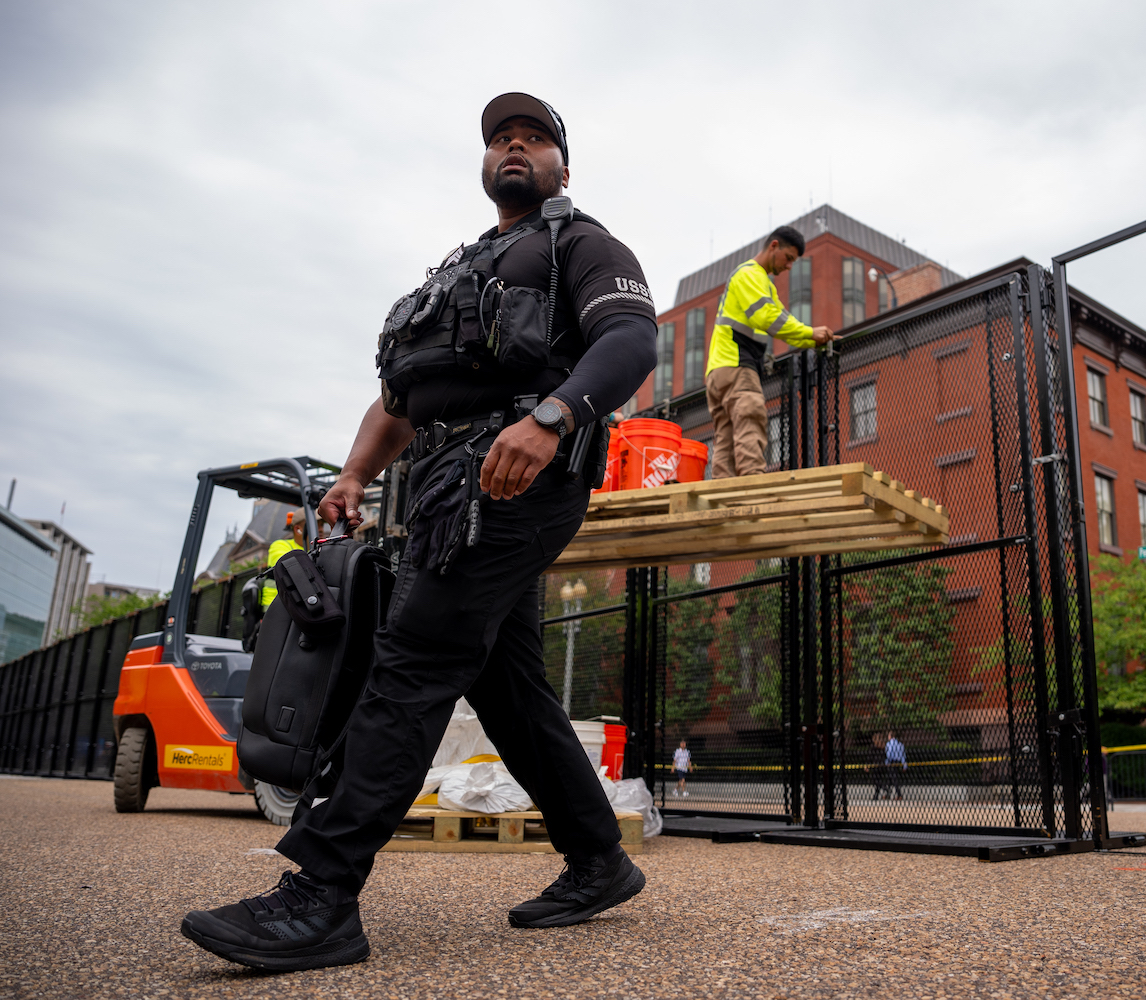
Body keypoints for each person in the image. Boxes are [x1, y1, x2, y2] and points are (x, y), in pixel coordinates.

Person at [181, 92, 658, 972]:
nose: (514, 145)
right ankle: (599, 857)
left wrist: (552, 417)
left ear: (562, 164)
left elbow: (632, 340)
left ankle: (322, 894)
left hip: (519, 476)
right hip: (443, 485)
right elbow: (399, 398)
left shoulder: (581, 245)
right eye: (500, 138)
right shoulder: (461, 269)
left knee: (412, 660)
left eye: (535, 137)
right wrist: (356, 475)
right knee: (507, 687)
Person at [704, 227, 837, 479]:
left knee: (726, 437)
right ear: (774, 246)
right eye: (788, 258)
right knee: (750, 419)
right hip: (736, 366)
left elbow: (781, 323)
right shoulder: (750, 275)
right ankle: (754, 489)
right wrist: (810, 333)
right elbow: (768, 317)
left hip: (719, 371)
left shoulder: (759, 282)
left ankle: (723, 498)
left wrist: (810, 338)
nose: (789, 267)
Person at [259, 509, 309, 611]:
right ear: (297, 529)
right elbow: (292, 568)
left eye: (322, 525)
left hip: (302, 605)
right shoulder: (280, 545)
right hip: (276, 608)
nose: (321, 529)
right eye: (316, 525)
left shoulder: (314, 550)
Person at [866, 733, 891, 800]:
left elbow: (870, 757)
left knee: (875, 780)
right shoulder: (883, 747)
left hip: (876, 765)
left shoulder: (874, 747)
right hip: (882, 765)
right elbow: (886, 756)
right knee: (878, 779)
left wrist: (867, 765)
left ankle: (883, 788)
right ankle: (876, 795)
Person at [884, 731, 908, 801]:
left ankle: (898, 794)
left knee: (893, 779)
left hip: (891, 762)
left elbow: (888, 754)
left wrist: (887, 762)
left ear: (890, 736)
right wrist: (904, 765)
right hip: (897, 763)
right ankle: (888, 793)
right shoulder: (900, 745)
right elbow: (903, 756)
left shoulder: (888, 744)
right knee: (891, 778)